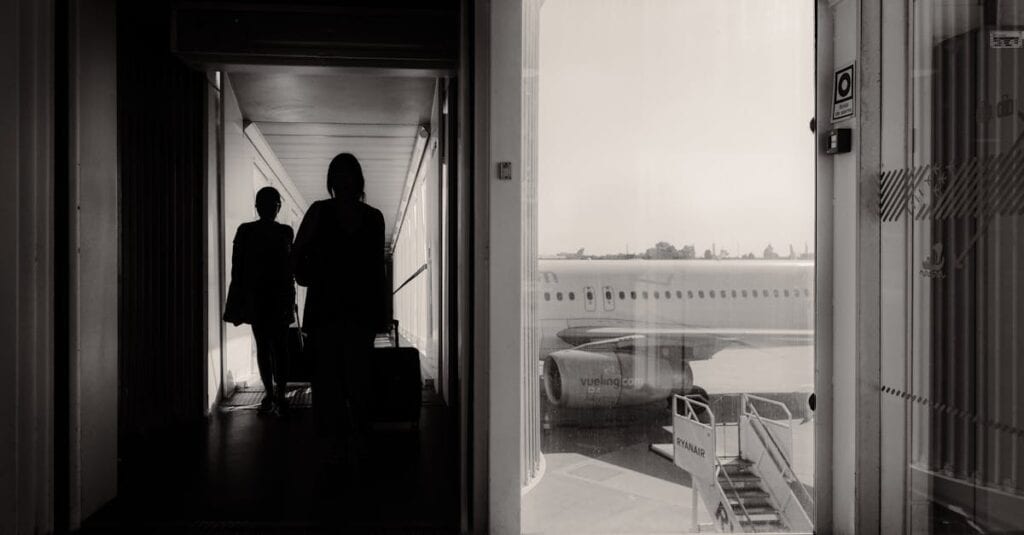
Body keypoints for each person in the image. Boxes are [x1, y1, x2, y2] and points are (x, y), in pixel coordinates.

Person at [291, 153, 386, 465]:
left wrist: (313, 273)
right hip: (356, 313)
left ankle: (332, 452)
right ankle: (357, 448)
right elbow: (375, 271)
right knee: (357, 382)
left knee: (329, 383)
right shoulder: (373, 217)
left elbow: (298, 258)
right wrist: (380, 315)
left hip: (326, 311)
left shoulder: (319, 212)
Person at [223, 186, 295, 415]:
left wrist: (237, 300)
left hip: (257, 297)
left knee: (263, 346)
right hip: (279, 296)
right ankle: (280, 393)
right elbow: (289, 269)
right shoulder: (285, 232)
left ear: (257, 207)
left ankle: (270, 393)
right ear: (278, 207)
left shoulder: (245, 231)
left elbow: (238, 269)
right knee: (280, 347)